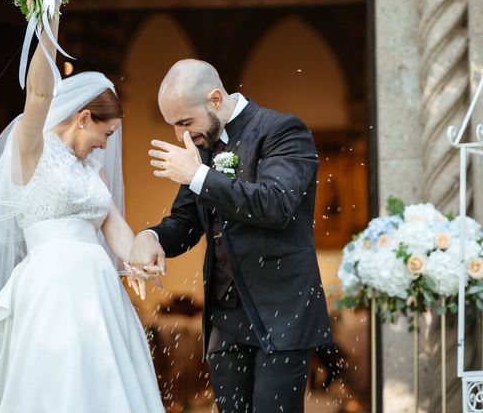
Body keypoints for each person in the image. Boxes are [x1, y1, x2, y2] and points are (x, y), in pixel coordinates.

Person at [0, 0, 164, 413]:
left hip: (100, 294)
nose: (107, 146)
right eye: (105, 134)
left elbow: (116, 229)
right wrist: (47, 18)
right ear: (84, 117)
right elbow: (39, 92)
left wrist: (141, 258)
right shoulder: (31, 147)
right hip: (51, 288)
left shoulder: (92, 170)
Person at [129, 59, 333, 412]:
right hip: (225, 321)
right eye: (174, 126)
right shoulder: (202, 147)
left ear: (215, 98)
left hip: (280, 313)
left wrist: (199, 176)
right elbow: (185, 222)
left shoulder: (282, 131)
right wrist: (151, 237)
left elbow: (277, 203)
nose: (181, 136)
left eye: (185, 122)